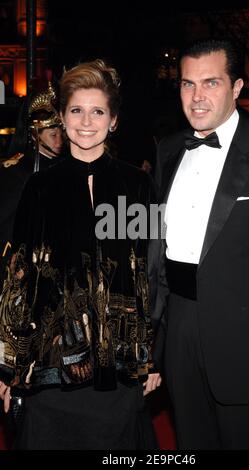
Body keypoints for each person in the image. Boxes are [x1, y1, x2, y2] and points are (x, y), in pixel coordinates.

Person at [0, 58, 161, 450]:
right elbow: (18, 281)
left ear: (114, 120)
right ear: (61, 116)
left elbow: (150, 274)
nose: (86, 121)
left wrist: (152, 357)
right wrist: (8, 369)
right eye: (76, 110)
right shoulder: (39, 188)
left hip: (119, 367)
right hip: (50, 369)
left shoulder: (136, 185)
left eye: (98, 111)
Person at [149, 38, 249, 450]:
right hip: (179, 332)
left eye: (211, 83)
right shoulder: (167, 150)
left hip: (246, 345)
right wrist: (150, 347)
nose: (197, 97)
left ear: (236, 88)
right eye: (187, 84)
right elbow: (157, 257)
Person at [0, 82, 63, 291]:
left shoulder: (65, 167)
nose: (58, 139)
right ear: (35, 134)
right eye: (51, 133)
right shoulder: (16, 171)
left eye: (59, 131)